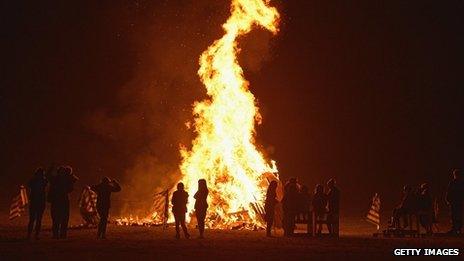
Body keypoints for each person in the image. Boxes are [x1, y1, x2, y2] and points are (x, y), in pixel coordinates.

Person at [48, 166, 78, 239]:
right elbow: (74, 180)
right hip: (62, 200)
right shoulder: (65, 179)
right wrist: (69, 173)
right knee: (60, 218)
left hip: (57, 200)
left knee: (58, 218)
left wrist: (51, 167)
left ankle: (58, 234)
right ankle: (61, 234)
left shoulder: (56, 179)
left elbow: (48, 175)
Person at [27, 167, 48, 239]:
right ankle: (34, 234)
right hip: (39, 202)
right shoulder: (43, 181)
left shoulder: (34, 181)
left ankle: (31, 234)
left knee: (34, 219)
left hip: (35, 202)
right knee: (37, 219)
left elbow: (29, 184)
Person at [446, 169, 464, 234]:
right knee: (457, 215)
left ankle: (455, 228)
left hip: (454, 201)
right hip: (458, 201)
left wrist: (447, 199)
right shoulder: (461, 183)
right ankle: (457, 228)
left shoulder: (453, 183)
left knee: (454, 215)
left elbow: (449, 192)